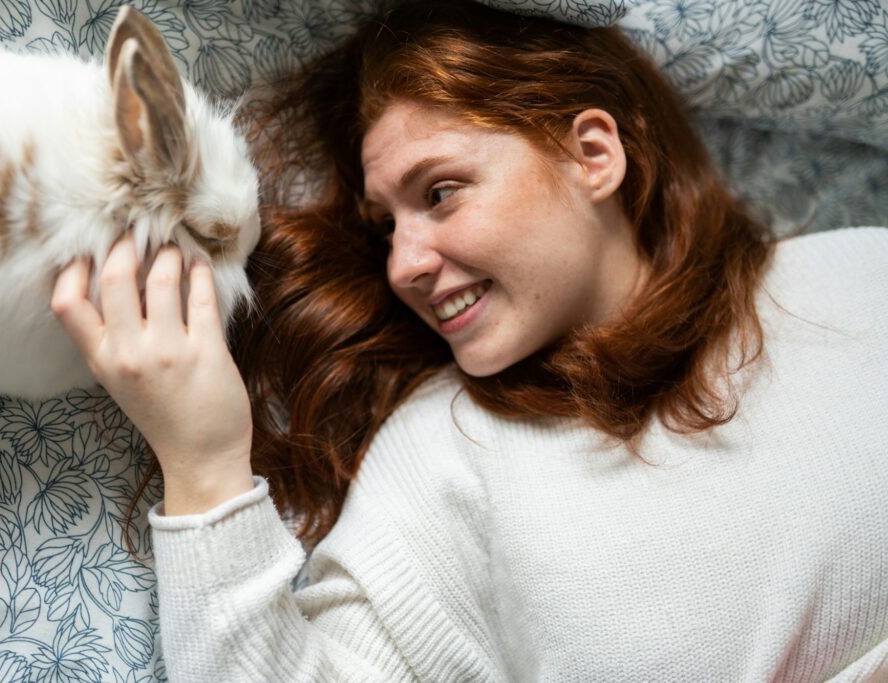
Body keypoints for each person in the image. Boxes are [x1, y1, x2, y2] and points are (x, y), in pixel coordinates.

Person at [50, 1, 888, 680]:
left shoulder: (863, 275)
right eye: (386, 227)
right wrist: (202, 464)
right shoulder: (446, 455)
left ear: (592, 154)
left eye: (442, 193)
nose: (404, 264)